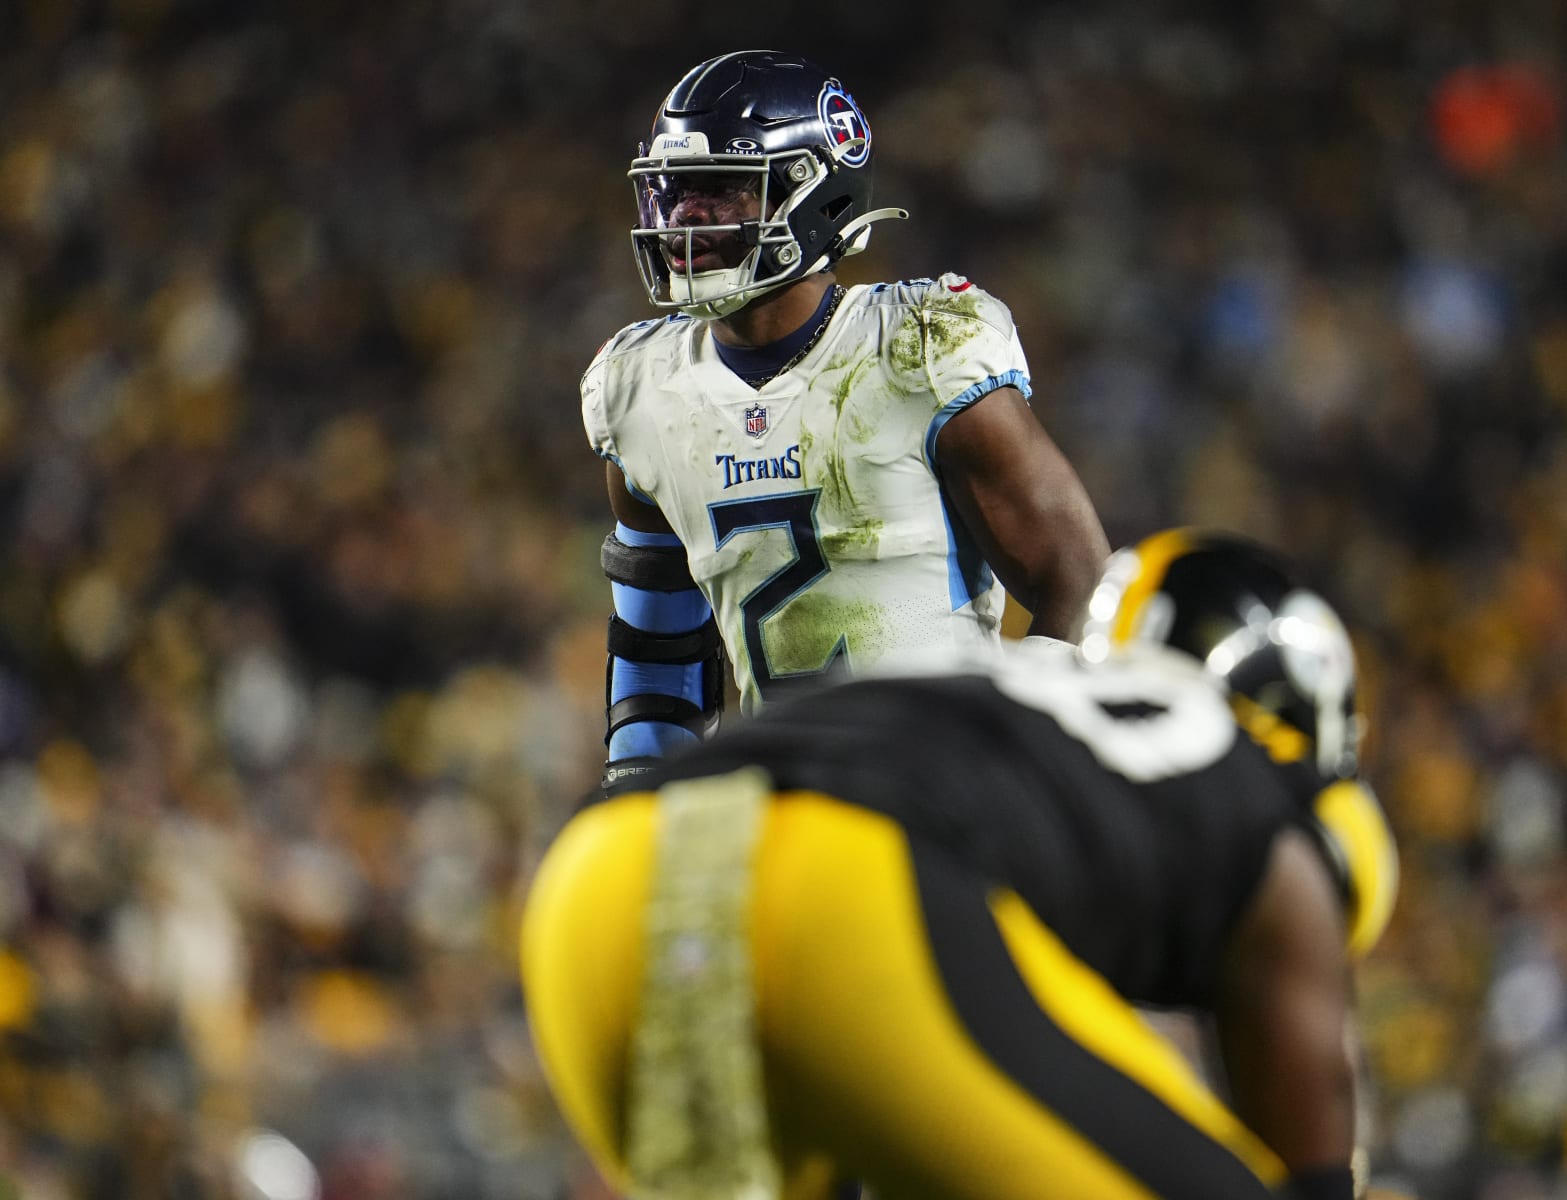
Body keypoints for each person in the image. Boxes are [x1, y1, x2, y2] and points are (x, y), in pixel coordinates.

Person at [520, 530, 1401, 1200]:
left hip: (595, 890)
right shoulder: (1281, 792)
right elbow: (1304, 1088)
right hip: (844, 885)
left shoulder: (1013, 697)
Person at [585, 49, 1111, 796]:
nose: (683, 218)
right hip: (787, 807)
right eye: (673, 192)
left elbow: (1082, 581)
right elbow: (658, 651)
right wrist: (638, 795)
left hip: (947, 801)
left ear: (814, 196)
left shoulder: (920, 347)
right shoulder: (640, 390)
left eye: (722, 191)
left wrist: (1006, 763)